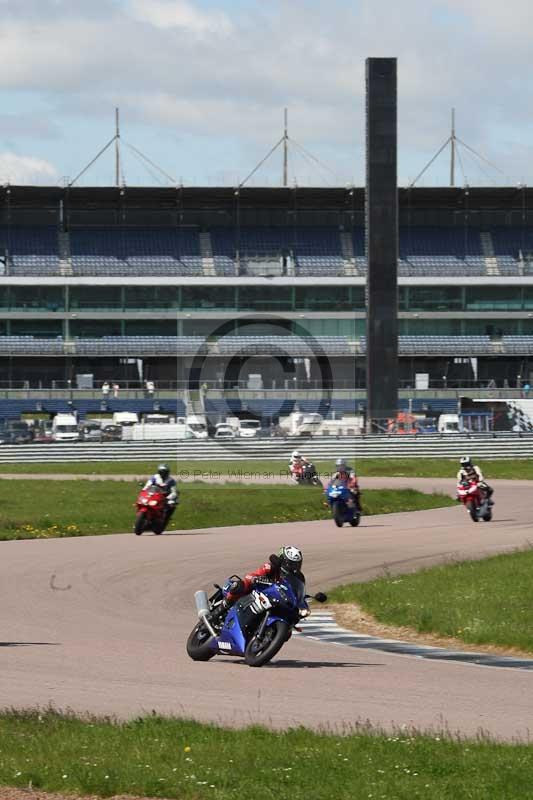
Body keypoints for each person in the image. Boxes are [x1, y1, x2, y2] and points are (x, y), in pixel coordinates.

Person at [212, 545, 304, 622]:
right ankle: (219, 610)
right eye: (290, 564)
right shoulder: (270, 567)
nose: (293, 568)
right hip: (258, 591)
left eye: (296, 565)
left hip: (274, 599)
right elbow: (252, 575)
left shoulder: (295, 579)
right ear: (281, 560)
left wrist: (302, 600)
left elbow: (297, 592)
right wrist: (255, 579)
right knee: (240, 586)